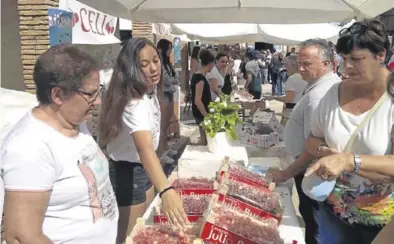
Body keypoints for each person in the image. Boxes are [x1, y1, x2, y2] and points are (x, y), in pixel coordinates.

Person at [1, 44, 118, 243]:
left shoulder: (73, 120)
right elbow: (20, 236)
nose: (97, 102)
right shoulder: (29, 146)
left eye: (98, 92)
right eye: (90, 94)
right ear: (58, 95)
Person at [302, 19, 394, 244]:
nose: (347, 67)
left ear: (380, 55)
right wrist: (325, 152)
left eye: (356, 59)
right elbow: (313, 140)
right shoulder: (334, 93)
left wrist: (349, 160)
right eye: (344, 59)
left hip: (382, 226)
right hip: (332, 215)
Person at [99, 38, 188, 243]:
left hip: (142, 170)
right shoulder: (134, 103)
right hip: (128, 172)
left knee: (142, 230)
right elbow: (144, 149)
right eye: (144, 65)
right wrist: (166, 190)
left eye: (156, 61)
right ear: (131, 68)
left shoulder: (147, 92)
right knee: (128, 237)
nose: (154, 68)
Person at [268, 39, 341, 244]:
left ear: (327, 63)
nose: (300, 69)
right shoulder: (318, 87)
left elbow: (314, 148)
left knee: (315, 228)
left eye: (307, 64)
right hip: (308, 172)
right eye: (299, 63)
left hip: (312, 174)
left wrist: (285, 173)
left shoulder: (320, 95)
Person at [157, 39, 179, 164]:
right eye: (169, 48)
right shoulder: (159, 62)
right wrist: (173, 81)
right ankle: (160, 152)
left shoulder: (166, 62)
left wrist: (173, 80)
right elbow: (166, 79)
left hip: (170, 94)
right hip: (163, 95)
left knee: (166, 125)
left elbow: (174, 77)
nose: (170, 51)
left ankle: (165, 148)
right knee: (162, 126)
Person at [269, 55, 307, 126]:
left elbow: (289, 98)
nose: (285, 67)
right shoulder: (305, 77)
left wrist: (275, 97)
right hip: (302, 112)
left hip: (290, 113)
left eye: (286, 64)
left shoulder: (292, 78)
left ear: (294, 66)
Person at [190, 49, 215, 145]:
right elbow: (197, 100)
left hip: (200, 112)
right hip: (201, 113)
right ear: (210, 63)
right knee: (205, 140)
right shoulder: (200, 79)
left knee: (205, 139)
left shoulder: (198, 76)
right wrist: (207, 116)